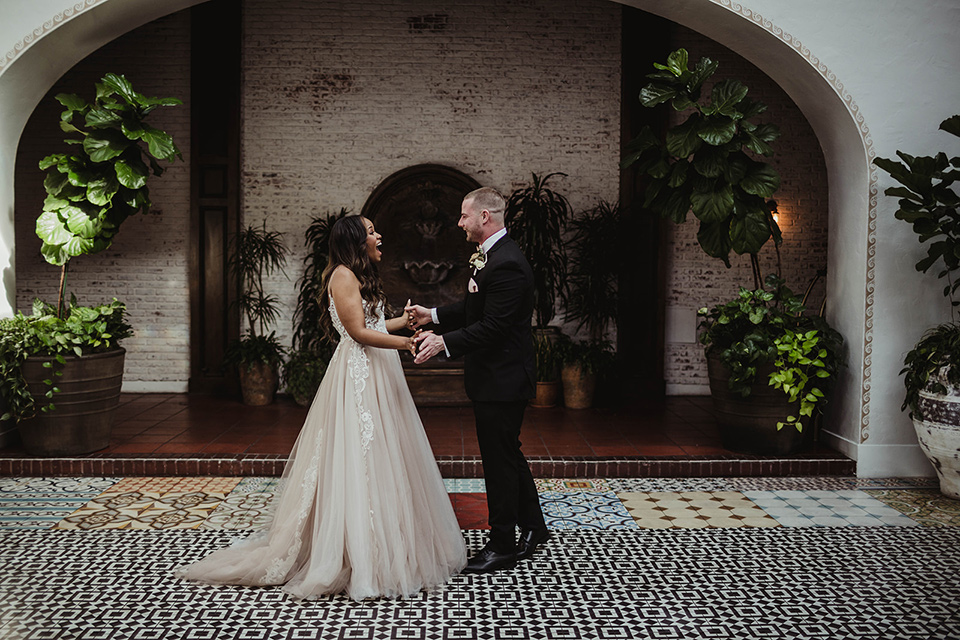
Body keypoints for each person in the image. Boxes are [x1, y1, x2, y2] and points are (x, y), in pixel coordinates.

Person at [175, 215, 466, 600]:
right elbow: (359, 333)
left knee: (384, 455)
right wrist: (408, 344)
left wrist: (403, 320)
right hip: (360, 374)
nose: (380, 235)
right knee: (360, 455)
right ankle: (354, 552)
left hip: (378, 371)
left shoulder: (358, 275)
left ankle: (384, 545)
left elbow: (372, 322)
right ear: (355, 241)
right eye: (372, 232)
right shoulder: (342, 276)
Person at [406, 186, 549, 574]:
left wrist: (442, 344)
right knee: (508, 453)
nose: (459, 222)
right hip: (494, 378)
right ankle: (535, 526)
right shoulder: (490, 256)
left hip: (503, 380)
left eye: (464, 215)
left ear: (485, 217)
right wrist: (432, 315)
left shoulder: (507, 263)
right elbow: (474, 308)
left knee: (499, 462)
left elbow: (493, 328)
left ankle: (502, 543)